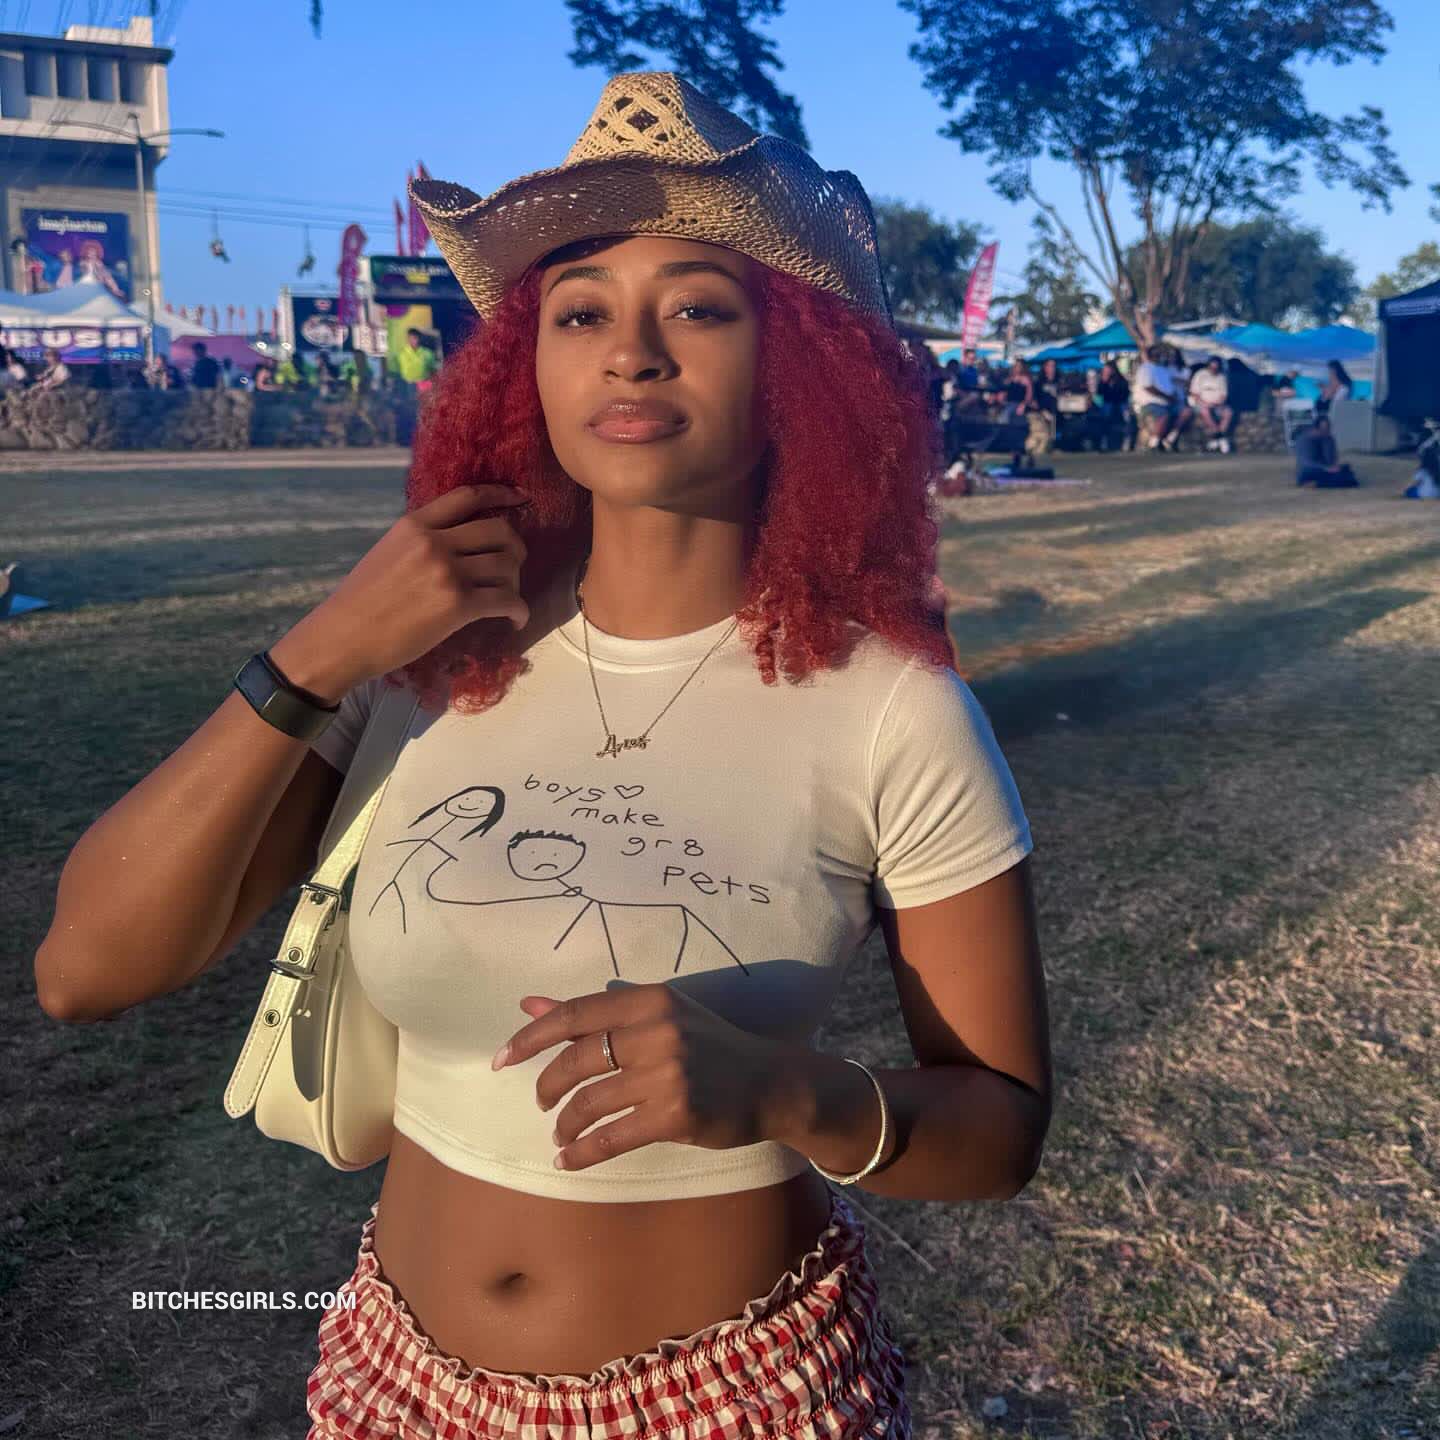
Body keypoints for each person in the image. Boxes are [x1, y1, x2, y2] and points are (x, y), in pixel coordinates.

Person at [35, 71, 1048, 1438]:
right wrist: (319, 653)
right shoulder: (425, 659)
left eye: (698, 307)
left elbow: (999, 1130)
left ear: (796, 366)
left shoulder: (894, 711)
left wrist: (787, 1090)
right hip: (391, 1378)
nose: (630, 354)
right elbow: (84, 973)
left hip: (743, 1394)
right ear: (530, 366)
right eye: (580, 312)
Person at [1133, 343, 1190, 450]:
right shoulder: (1146, 368)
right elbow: (1148, 387)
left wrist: (1173, 396)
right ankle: (1153, 443)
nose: (1161, 356)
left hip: (1168, 403)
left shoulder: (1163, 369)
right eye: (1158, 354)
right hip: (1151, 403)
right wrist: (1166, 396)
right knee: (1164, 415)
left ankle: (1170, 439)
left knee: (1185, 412)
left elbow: (1170, 386)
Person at [1295, 416, 1358, 487]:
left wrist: (1329, 443)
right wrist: (1325, 468)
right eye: (1323, 430)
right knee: (1348, 480)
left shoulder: (1326, 439)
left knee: (1347, 470)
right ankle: (1316, 484)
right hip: (1310, 470)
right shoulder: (1305, 440)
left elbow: (1331, 460)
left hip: (1324, 469)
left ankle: (1327, 480)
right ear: (1315, 429)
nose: (1327, 432)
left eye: (1328, 429)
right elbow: (1306, 462)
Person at [1187, 356, 1234, 453]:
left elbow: (1223, 395)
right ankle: (1220, 437)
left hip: (1217, 405)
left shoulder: (1221, 377)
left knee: (1228, 412)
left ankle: (1216, 439)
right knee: (1205, 410)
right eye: (1212, 367)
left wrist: (1217, 403)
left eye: (1216, 367)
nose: (1214, 369)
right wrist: (1205, 403)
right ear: (1208, 366)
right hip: (1200, 404)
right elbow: (1194, 393)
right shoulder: (1200, 375)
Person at [1092, 359, 1130, 450]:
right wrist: (1104, 382)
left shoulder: (1121, 380)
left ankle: (1126, 442)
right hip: (1108, 403)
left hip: (1120, 403)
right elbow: (1099, 393)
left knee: (1126, 419)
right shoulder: (1103, 381)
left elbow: (1125, 393)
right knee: (1104, 416)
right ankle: (1104, 442)